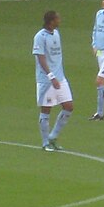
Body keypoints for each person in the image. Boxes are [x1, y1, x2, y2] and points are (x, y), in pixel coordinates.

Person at [33, 10, 74, 152]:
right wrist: (51, 76)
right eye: (58, 18)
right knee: (46, 110)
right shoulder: (40, 36)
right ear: (51, 21)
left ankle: (53, 137)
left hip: (61, 78)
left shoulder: (56, 33)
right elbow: (41, 57)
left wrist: (58, 76)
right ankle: (45, 143)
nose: (60, 20)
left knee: (69, 106)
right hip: (46, 80)